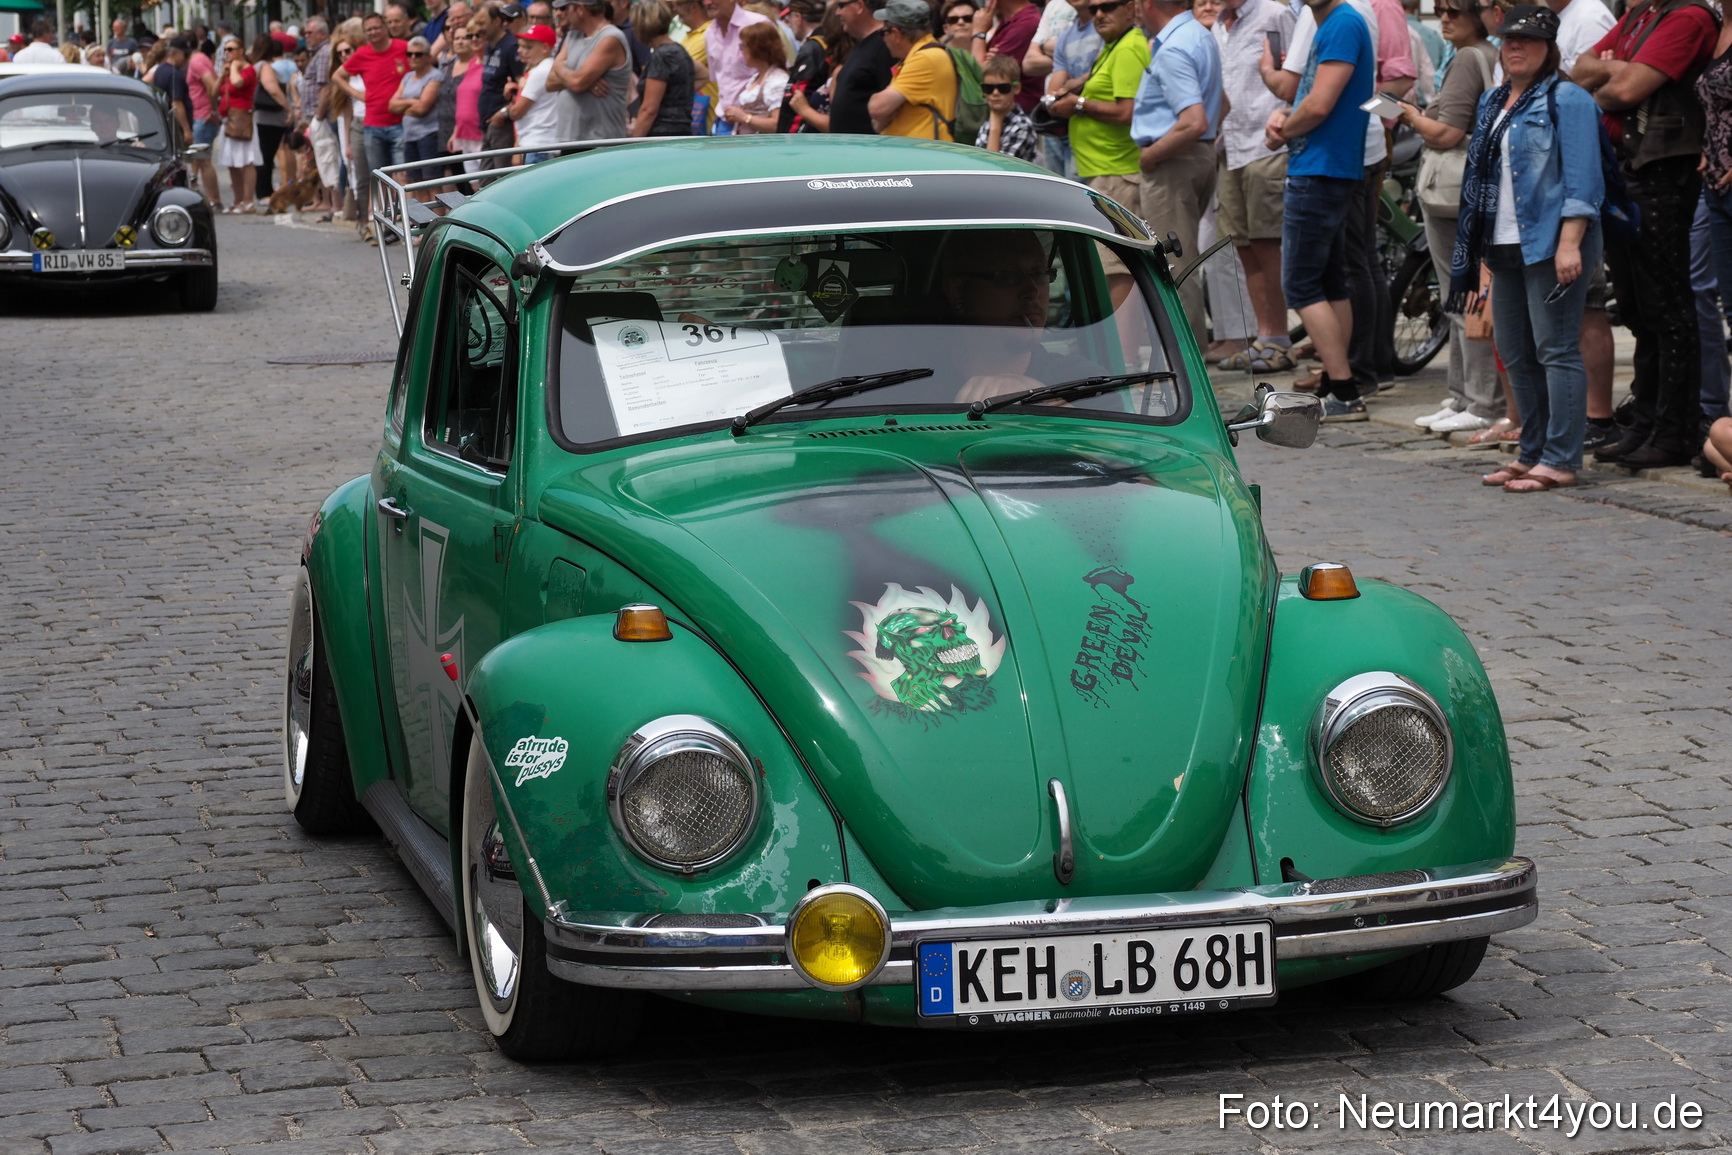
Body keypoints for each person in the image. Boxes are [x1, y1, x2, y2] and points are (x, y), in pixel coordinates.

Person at [1451, 7, 1603, 491]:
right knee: (1515, 352)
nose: (1516, 47)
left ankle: (1560, 457)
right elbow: (1481, 179)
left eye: (1528, 40)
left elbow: (1583, 180)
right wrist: (1478, 252)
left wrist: (1570, 243)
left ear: (1548, 47)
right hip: (1501, 243)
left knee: (1555, 349)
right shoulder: (1494, 101)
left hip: (1549, 242)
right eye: (1509, 39)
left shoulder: (1569, 100)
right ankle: (1531, 450)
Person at [1574, 0, 1718, 468]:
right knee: (1637, 305)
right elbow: (1580, 66)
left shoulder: (1686, 17)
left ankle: (1673, 430)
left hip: (1661, 170)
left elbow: (1625, 91)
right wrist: (1613, 65)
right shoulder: (1642, 14)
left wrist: (1614, 72)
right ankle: (1647, 422)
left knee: (1667, 306)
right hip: (1628, 168)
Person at [1266, 0, 1375, 420]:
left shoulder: (1343, 22)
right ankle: (1337, 382)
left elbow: (1319, 104)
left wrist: (1281, 130)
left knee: (1301, 285)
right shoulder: (1333, 20)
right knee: (1330, 283)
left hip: (1321, 167)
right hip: (1326, 166)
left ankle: (1345, 391)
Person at [1394, 0, 1500, 433]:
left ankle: (1477, 399)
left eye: (1454, 9)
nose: (1444, 17)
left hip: (1454, 191)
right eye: (1439, 9)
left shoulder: (1469, 58)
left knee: (1464, 296)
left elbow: (1448, 131)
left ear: (1479, 14)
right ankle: (1464, 395)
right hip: (1466, 191)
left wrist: (1412, 118)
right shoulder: (1484, 55)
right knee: (1462, 295)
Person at [1132, 0, 1223, 348]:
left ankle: (1188, 357)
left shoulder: (1176, 45)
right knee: (1180, 259)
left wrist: (1150, 157)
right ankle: (1188, 353)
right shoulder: (1198, 35)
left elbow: (1193, 120)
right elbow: (1218, 106)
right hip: (1196, 155)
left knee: (1173, 264)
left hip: (1175, 159)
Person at [1214, 0, 1294, 368]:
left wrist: (1288, 119)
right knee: (1243, 246)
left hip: (1266, 143)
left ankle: (1279, 336)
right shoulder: (1217, 24)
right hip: (1230, 146)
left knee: (1267, 244)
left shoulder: (1273, 15)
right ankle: (1265, 336)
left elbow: (1298, 76)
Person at [1053, 0, 1150, 227]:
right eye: (1093, 9)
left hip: (1118, 176)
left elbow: (1127, 112)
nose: (1099, 14)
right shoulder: (1116, 45)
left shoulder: (1127, 48)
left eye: (1107, 7)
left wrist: (1078, 103)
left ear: (1130, 8)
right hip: (1107, 173)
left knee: (1113, 261)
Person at [335, 11, 411, 215]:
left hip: (401, 122)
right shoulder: (361, 54)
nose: (374, 32)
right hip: (373, 124)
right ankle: (386, 222)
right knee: (380, 178)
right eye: (369, 29)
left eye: (377, 27)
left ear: (385, 28)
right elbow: (338, 76)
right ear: (365, 33)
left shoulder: (403, 48)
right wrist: (359, 95)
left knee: (403, 176)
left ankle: (407, 220)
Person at [869, 0, 960, 138]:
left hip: (925, 153)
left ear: (896, 34)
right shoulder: (916, 56)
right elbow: (877, 123)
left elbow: (877, 108)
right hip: (913, 152)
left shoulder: (926, 58)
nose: (883, 39)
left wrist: (885, 109)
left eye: (883, 33)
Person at [548, 0, 632, 139]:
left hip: (600, 142)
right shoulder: (572, 35)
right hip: (568, 140)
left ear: (580, 9)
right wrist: (582, 79)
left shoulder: (610, 37)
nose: (561, 14)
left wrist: (560, 68)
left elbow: (578, 83)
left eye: (566, 8)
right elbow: (549, 83)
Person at [1037, 0, 1099, 179]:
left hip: (1098, 133)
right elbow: (1053, 93)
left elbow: (1099, 74)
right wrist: (1072, 87)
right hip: (1066, 129)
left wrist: (1069, 88)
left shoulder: (1106, 29)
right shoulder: (1066, 37)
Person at [628, 0, 695, 134]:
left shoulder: (661, 56)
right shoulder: (678, 49)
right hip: (682, 129)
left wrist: (633, 142)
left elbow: (649, 109)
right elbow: (703, 74)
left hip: (662, 133)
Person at [828, 0, 895, 132]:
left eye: (841, 6)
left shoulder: (885, 45)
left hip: (869, 148)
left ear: (859, 6)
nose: (837, 12)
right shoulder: (864, 44)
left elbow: (891, 108)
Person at [704, 0, 774, 122]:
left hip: (758, 125)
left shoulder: (758, 24)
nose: (707, 2)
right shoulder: (709, 33)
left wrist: (746, 117)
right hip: (723, 122)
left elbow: (779, 71)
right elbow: (718, 80)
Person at [392, 36, 445, 192]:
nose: (413, 57)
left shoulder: (435, 75)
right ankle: (421, 218)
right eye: (410, 54)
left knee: (432, 183)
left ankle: (436, 217)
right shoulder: (408, 77)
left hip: (429, 135)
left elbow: (423, 108)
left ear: (428, 56)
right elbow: (391, 105)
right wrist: (412, 101)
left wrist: (404, 104)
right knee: (415, 184)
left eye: (418, 54)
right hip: (409, 136)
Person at [216, 39, 263, 213]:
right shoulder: (228, 71)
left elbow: (238, 83)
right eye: (225, 50)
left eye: (231, 49)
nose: (227, 53)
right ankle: (237, 200)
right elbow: (215, 91)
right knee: (232, 162)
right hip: (228, 119)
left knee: (246, 160)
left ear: (241, 51)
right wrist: (223, 74)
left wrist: (235, 67)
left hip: (242, 118)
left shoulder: (248, 69)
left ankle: (248, 200)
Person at [970, 0, 1043, 110]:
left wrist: (978, 32)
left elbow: (980, 72)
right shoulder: (1009, 21)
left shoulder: (1027, 23)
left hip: (1020, 117)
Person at [476, 2, 524, 166]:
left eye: (482, 23)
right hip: (487, 122)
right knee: (485, 180)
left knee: (500, 178)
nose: (478, 29)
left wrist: (503, 113)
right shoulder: (489, 45)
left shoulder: (511, 46)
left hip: (502, 124)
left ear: (497, 21)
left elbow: (522, 85)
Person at [300, 18, 340, 216]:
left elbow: (326, 87)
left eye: (310, 33)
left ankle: (334, 203)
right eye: (305, 33)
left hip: (323, 117)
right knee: (322, 160)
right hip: (317, 117)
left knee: (328, 157)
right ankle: (327, 202)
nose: (306, 36)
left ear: (322, 34)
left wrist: (318, 116)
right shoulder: (318, 53)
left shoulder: (324, 53)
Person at [718, 21, 790, 130]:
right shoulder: (757, 77)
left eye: (743, 46)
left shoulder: (777, 80)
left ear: (757, 49)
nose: (741, 52)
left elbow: (777, 124)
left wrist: (744, 117)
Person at [507, 23, 562, 161]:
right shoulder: (546, 68)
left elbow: (516, 112)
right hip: (540, 143)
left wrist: (506, 109)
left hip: (538, 145)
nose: (520, 50)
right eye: (520, 46)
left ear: (545, 48)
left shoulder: (540, 71)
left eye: (528, 47)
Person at [251, 35, 293, 202]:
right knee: (266, 156)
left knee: (263, 155)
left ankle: (263, 190)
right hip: (270, 118)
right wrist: (288, 107)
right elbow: (273, 89)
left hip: (260, 116)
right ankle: (264, 192)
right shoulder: (265, 67)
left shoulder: (254, 66)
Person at [778, 0, 830, 131]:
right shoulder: (827, 39)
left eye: (790, 19)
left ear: (798, 18)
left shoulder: (812, 47)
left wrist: (789, 135)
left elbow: (799, 96)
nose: (789, 26)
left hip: (806, 132)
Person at [977, 53, 1039, 157]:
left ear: (1016, 88)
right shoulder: (987, 123)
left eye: (1003, 88)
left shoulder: (1022, 127)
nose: (995, 93)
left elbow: (994, 169)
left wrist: (995, 125)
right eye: (988, 88)